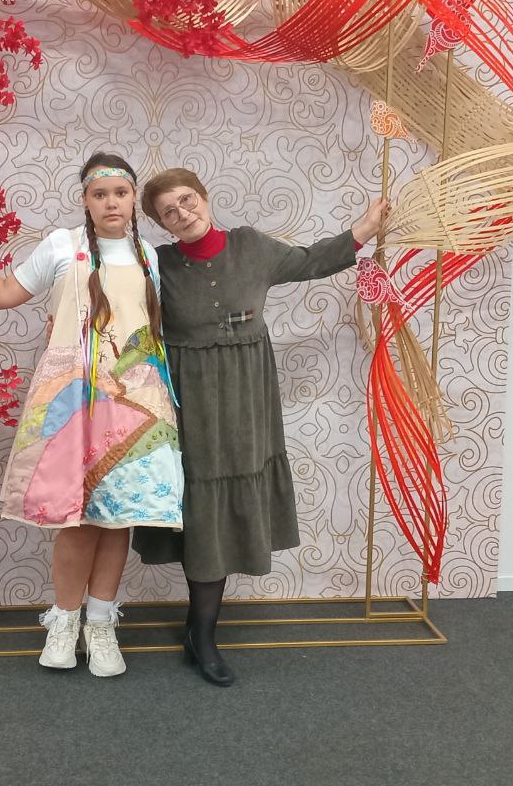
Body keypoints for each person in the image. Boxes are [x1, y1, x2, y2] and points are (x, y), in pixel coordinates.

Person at [132, 168, 388, 687]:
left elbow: (310, 260)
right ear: (161, 224)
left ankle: (200, 630)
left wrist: (364, 229)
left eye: (187, 200)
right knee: (201, 505)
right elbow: (118, 309)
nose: (183, 213)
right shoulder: (156, 264)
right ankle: (202, 634)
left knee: (231, 500)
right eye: (169, 212)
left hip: (248, 398)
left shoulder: (251, 245)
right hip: (187, 401)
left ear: (204, 197)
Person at [0, 153, 182, 678]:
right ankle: (65, 622)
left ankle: (102, 623)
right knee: (77, 517)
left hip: (136, 397)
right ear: (85, 200)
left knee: (117, 516)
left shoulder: (149, 256)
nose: (111, 203)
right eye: (100, 194)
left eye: (120, 193)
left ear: (132, 199)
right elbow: (5, 293)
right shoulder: (61, 246)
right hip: (74, 398)